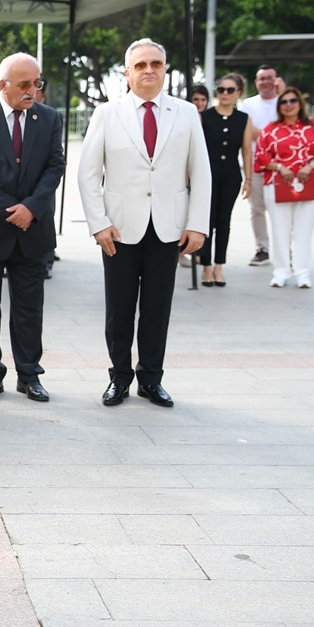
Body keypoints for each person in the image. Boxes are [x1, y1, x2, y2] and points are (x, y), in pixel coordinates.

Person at [77, 38, 210, 409]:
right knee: (119, 308)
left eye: (155, 64)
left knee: (157, 307)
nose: (148, 70)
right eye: (140, 65)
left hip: (169, 227)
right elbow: (88, 174)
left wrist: (198, 224)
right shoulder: (107, 113)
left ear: (165, 69)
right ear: (127, 73)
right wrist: (99, 224)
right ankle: (119, 378)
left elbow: (202, 172)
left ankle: (151, 379)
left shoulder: (185, 113)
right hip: (119, 229)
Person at [0, 53, 65, 402]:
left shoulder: (49, 118)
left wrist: (31, 208)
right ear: (3, 85)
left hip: (32, 233)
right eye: (24, 84)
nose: (32, 90)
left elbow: (55, 166)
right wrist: (12, 210)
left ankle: (29, 374)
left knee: (29, 309)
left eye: (37, 83)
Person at [253, 87, 314, 289]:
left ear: (300, 103)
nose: (289, 105)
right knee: (280, 230)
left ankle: (303, 273)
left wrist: (309, 166)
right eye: (284, 102)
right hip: (278, 185)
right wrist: (280, 167)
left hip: (308, 184)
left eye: (292, 101)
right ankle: (281, 272)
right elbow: (261, 157)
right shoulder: (271, 129)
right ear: (279, 106)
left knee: (304, 231)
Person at [198, 73, 254, 287]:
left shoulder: (243, 119)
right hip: (207, 176)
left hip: (231, 175)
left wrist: (248, 179)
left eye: (230, 90)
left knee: (224, 222)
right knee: (207, 221)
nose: (225, 94)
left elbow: (247, 151)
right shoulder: (206, 116)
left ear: (238, 93)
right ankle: (206, 266)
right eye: (221, 89)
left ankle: (219, 266)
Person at [239, 66, 279, 266]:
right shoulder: (248, 104)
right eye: (261, 78)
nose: (265, 82)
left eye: (269, 78)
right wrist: (275, 138)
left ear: (276, 80)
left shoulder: (284, 102)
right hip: (255, 165)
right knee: (257, 209)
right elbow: (248, 130)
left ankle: (284, 247)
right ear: (256, 82)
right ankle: (262, 248)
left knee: (281, 209)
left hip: (282, 167)